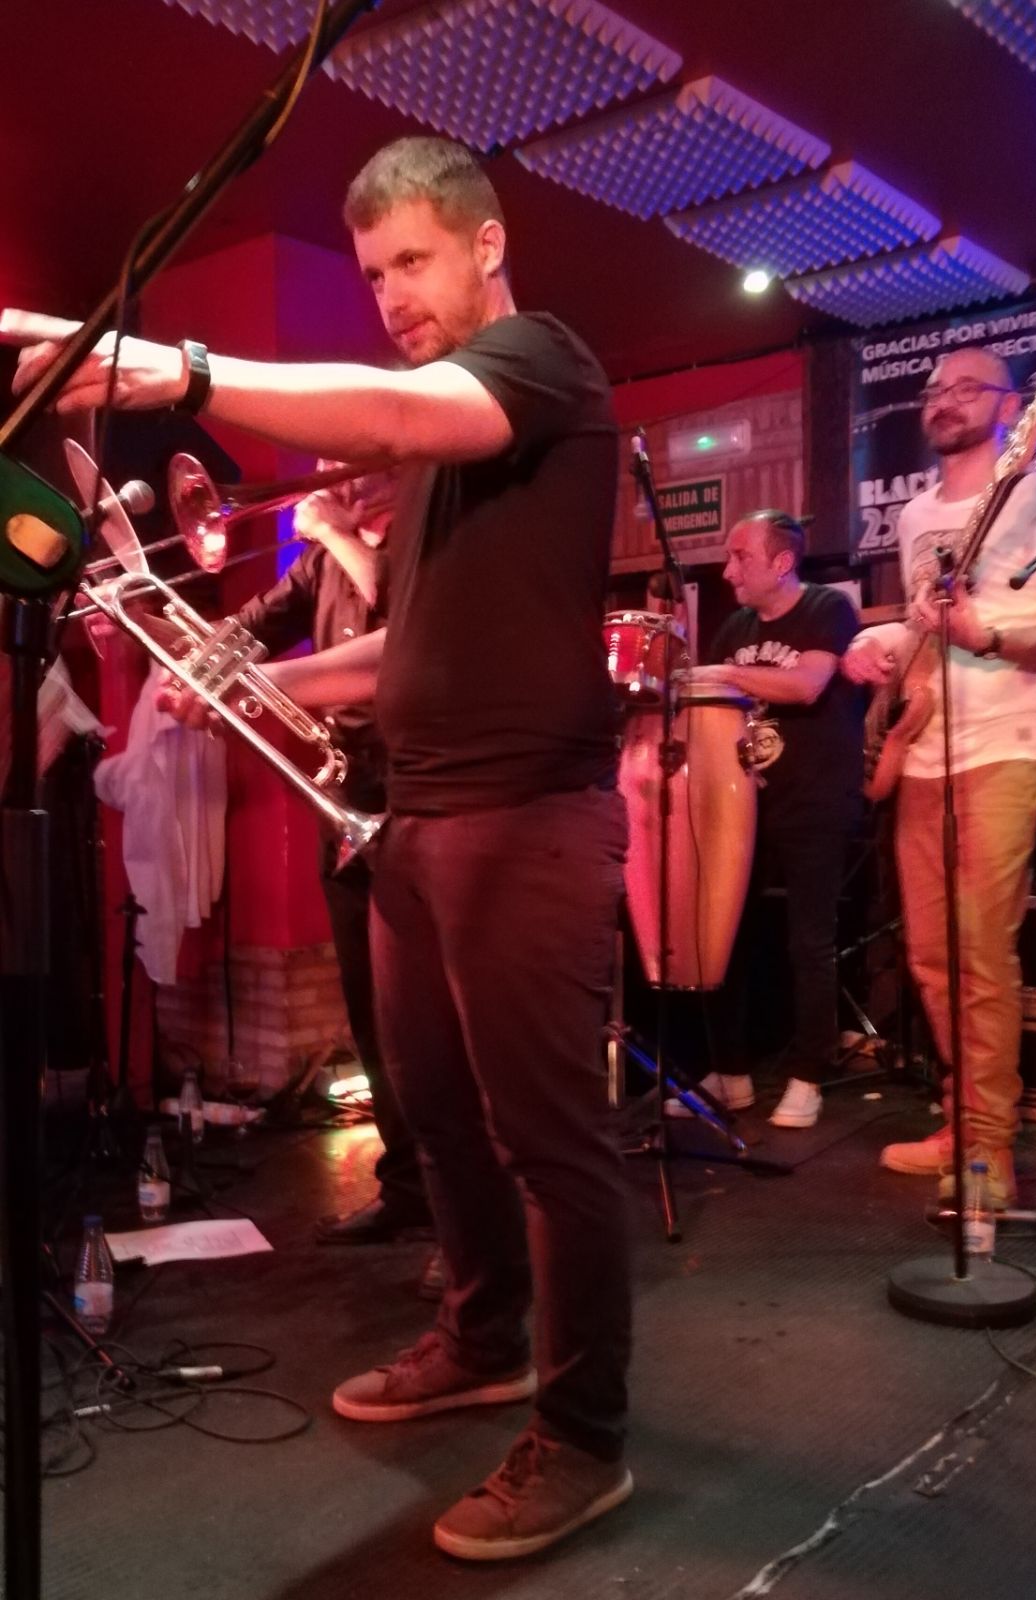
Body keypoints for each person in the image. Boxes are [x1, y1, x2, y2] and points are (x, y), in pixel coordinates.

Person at [17, 136, 633, 1561]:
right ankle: (482, 1335)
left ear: (486, 244)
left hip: (526, 818)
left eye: (413, 261)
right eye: (372, 275)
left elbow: (397, 410)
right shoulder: (438, 469)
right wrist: (246, 677)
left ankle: (585, 1434)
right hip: (417, 819)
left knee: (551, 1143)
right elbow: (404, 654)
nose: (392, 295)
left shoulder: (539, 361)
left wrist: (180, 372)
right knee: (433, 1112)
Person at [843, 348, 1036, 1207]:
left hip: (1007, 745)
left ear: (1010, 408)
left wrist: (985, 634)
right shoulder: (917, 515)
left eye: (965, 388)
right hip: (924, 754)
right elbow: (924, 635)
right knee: (929, 957)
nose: (944, 400)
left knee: (980, 951)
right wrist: (882, 652)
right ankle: (961, 1119)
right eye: (934, 389)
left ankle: (988, 1149)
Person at [234, 470, 439, 1265]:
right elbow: (246, 632)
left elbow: (409, 619)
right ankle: (409, 1188)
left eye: (343, 460)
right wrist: (143, 619)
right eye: (320, 467)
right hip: (347, 789)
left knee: (431, 1013)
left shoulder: (424, 535)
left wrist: (333, 533)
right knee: (371, 1008)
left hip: (421, 783)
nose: (326, 478)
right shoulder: (320, 563)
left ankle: (466, 1209)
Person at [681, 511, 864, 1128]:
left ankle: (810, 1074)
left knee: (809, 941)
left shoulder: (826, 608)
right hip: (743, 803)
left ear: (782, 562)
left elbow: (808, 684)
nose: (728, 571)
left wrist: (726, 673)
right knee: (724, 935)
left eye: (741, 557)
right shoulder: (735, 626)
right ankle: (730, 1072)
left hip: (813, 800)